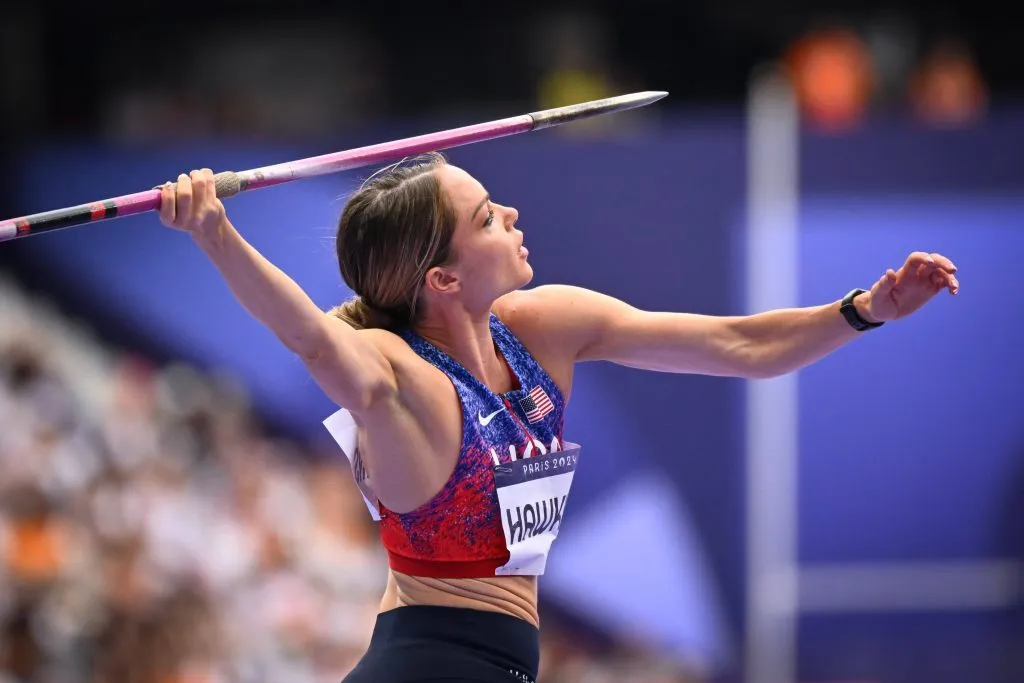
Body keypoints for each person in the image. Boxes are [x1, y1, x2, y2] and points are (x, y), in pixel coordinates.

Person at [157, 153, 959, 683]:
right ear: (441, 277)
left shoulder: (542, 327)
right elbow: (308, 334)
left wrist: (866, 309)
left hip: (507, 665)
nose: (509, 210)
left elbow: (736, 345)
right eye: (484, 217)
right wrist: (216, 232)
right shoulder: (403, 380)